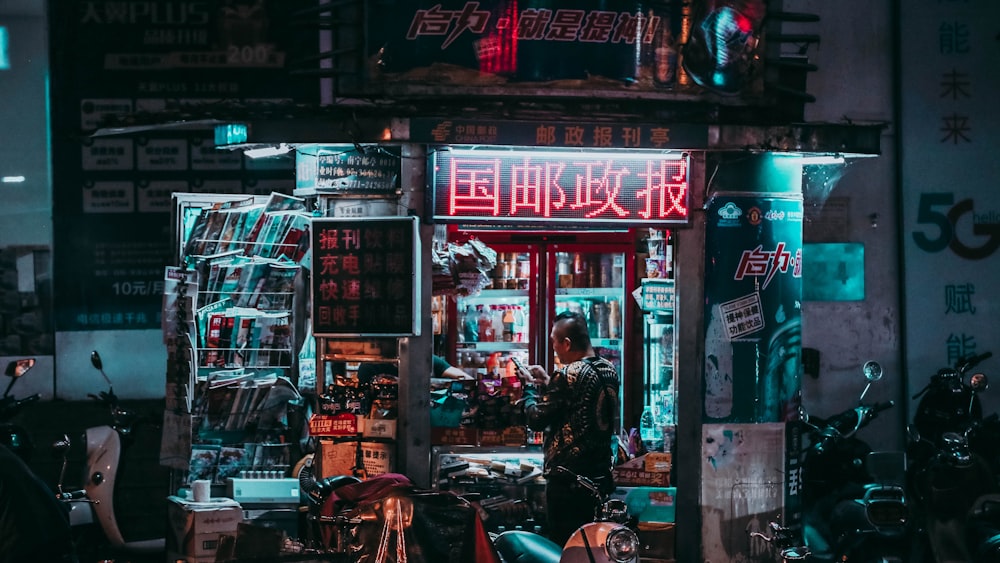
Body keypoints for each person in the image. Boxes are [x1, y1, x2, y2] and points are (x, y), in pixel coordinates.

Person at [519, 310, 621, 546]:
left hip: (568, 483)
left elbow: (535, 418)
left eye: (554, 340)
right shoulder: (608, 369)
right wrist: (547, 382)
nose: (553, 346)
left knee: (565, 546)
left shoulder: (567, 375)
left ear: (566, 343)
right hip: (598, 477)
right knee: (590, 547)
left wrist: (529, 389)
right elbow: (576, 402)